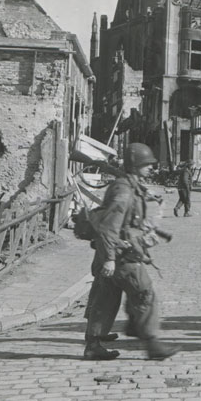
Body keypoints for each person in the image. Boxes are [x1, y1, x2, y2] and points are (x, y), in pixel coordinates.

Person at [84, 142, 180, 361]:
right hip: (121, 254)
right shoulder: (124, 190)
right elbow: (110, 227)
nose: (150, 168)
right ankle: (151, 342)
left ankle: (94, 344)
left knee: (106, 298)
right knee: (144, 292)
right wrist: (109, 259)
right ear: (135, 165)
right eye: (146, 164)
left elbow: (129, 217)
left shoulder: (131, 185)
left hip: (116, 252)